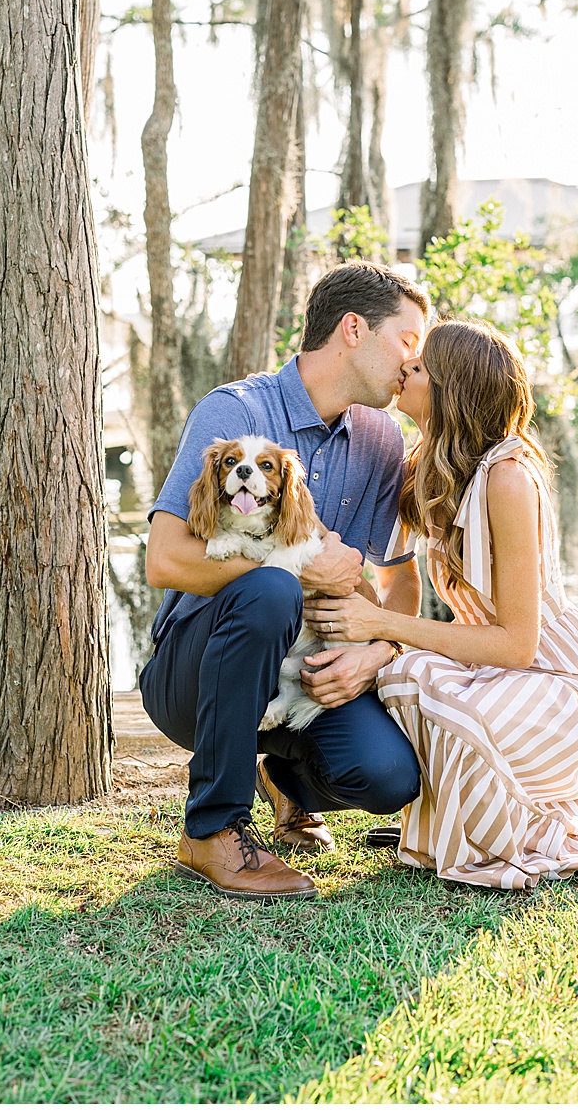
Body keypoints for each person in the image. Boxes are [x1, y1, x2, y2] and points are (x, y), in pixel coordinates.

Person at [304, 319, 578, 888]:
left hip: (551, 678)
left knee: (419, 677)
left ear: (453, 390)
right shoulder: (424, 469)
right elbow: (388, 571)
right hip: (486, 668)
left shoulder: (507, 477)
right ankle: (302, 784)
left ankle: (470, 818)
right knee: (405, 673)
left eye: (419, 367)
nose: (404, 370)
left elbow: (519, 645)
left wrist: (383, 625)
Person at [142, 261, 431, 901]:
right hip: (197, 676)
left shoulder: (383, 438)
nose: (414, 363)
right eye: (407, 341)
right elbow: (164, 561)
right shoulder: (234, 411)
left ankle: (284, 781)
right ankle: (213, 830)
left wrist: (379, 650)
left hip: (304, 680)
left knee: (388, 777)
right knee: (272, 589)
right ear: (353, 329)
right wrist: (296, 571)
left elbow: (398, 580)